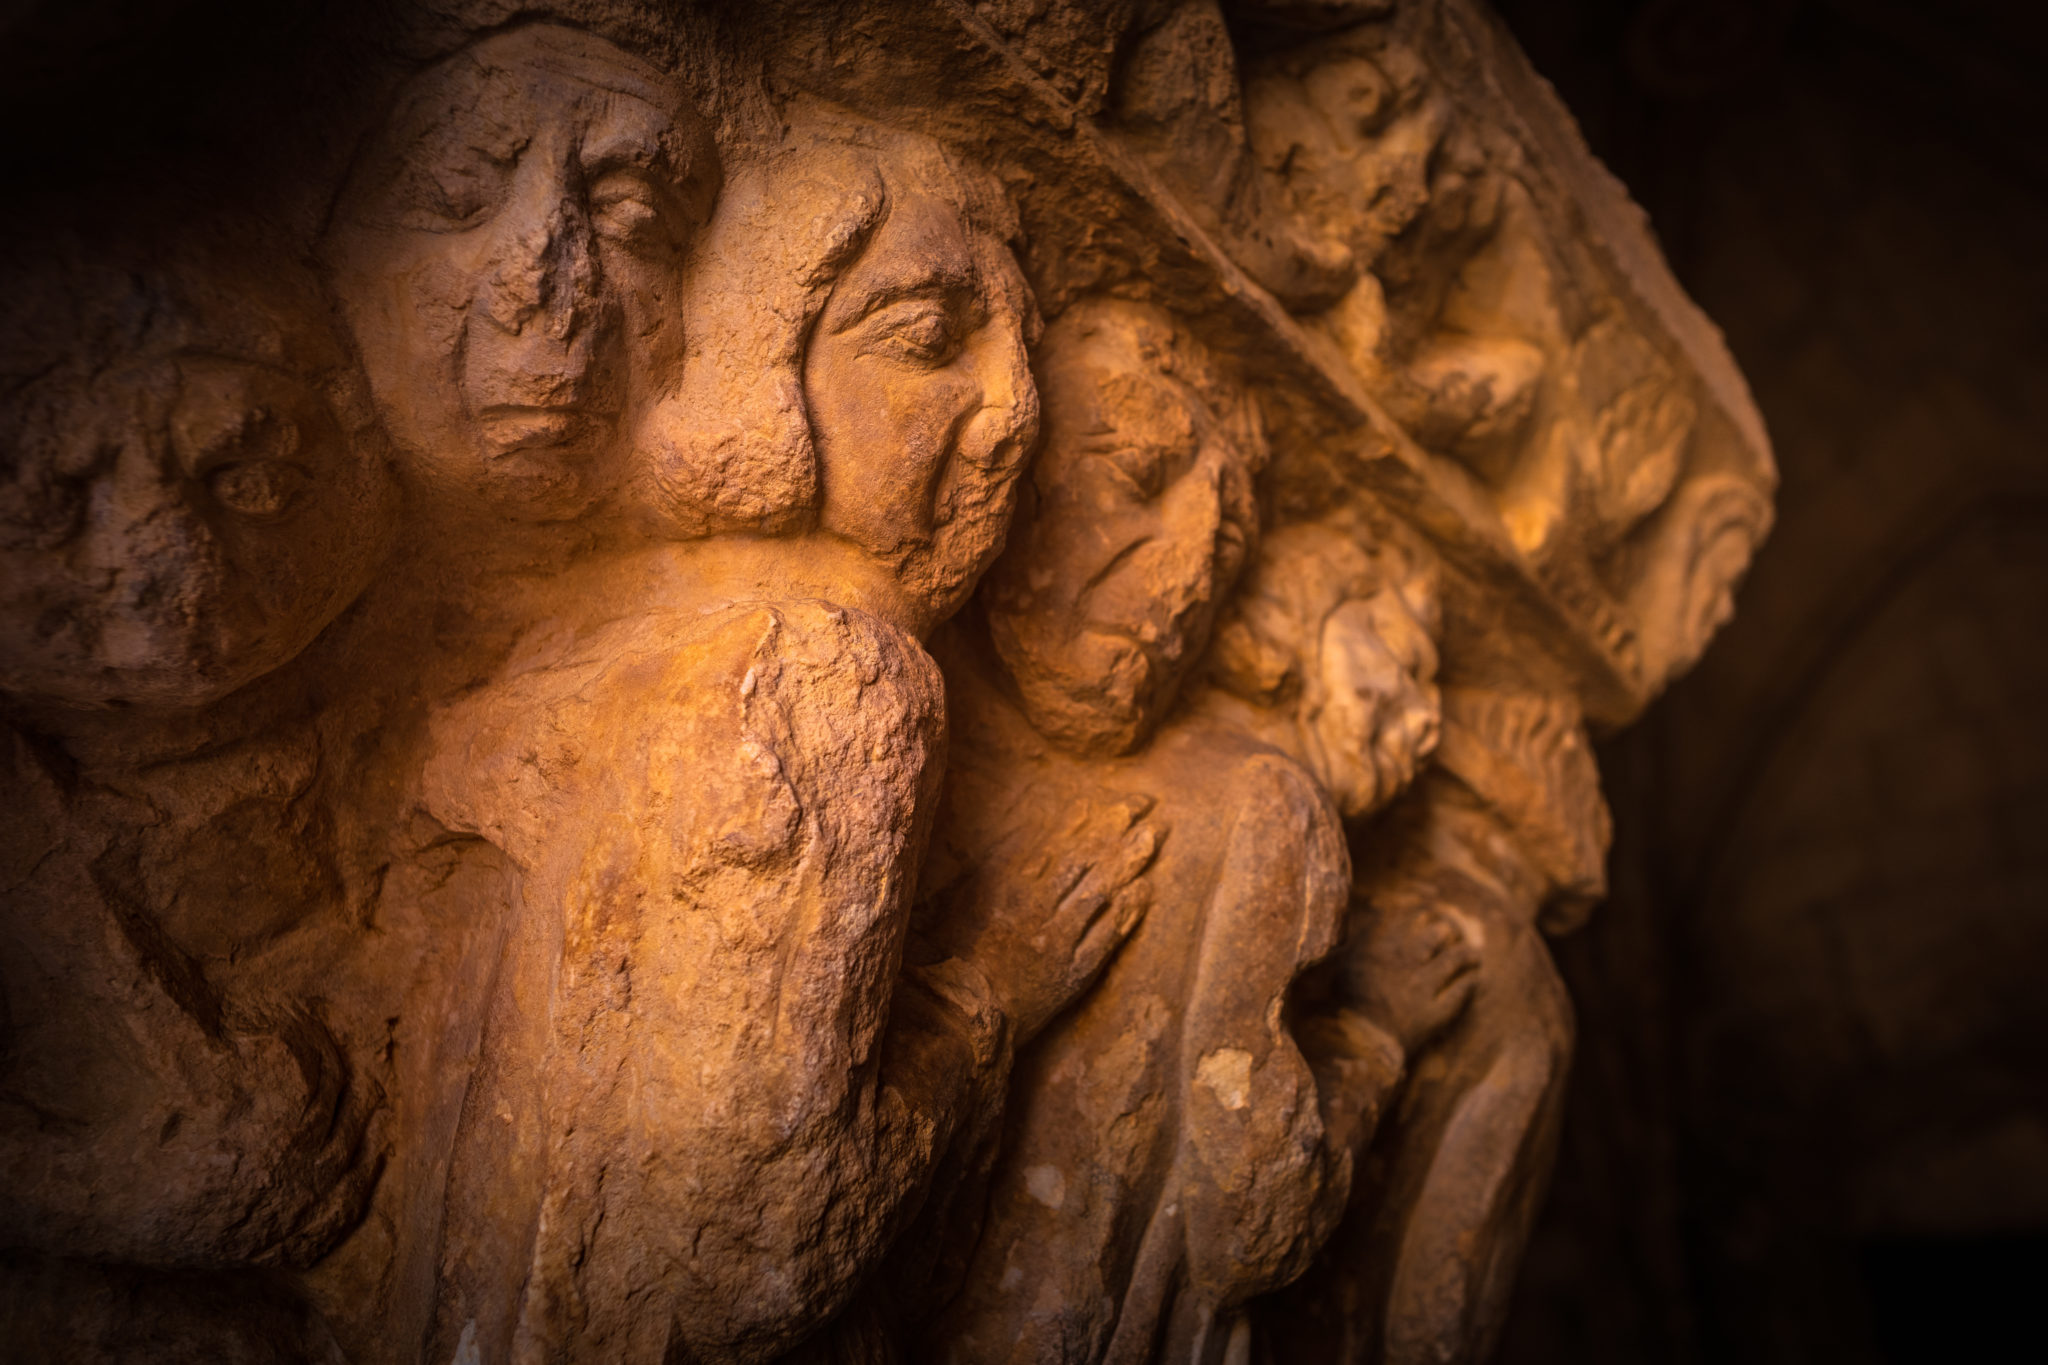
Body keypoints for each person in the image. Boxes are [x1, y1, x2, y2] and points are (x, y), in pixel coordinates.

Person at [403, 113, 1120, 1365]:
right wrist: (997, 996)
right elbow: (751, 1255)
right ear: (761, 359)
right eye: (927, 340)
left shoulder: (583, 646)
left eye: (1022, 357)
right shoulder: (827, 680)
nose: (1011, 412)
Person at [926, 296, 1472, 1362]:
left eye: (1224, 537)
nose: (1184, 575)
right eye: (1133, 474)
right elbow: (1253, 1219)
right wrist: (1373, 1040)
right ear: (1006, 453)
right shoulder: (1249, 810)